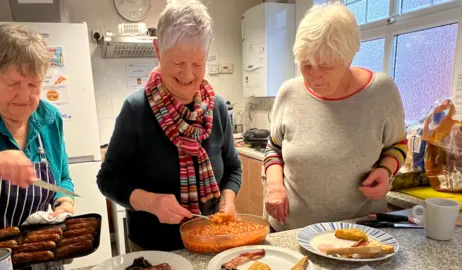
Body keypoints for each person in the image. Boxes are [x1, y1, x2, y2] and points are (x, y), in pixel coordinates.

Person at [97, 0, 242, 252]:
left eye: (198, 64)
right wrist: (152, 203)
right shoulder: (136, 109)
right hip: (152, 249)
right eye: (178, 64)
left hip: (212, 241)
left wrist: (227, 201)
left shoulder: (216, 107)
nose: (188, 76)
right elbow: (108, 180)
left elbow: (233, 169)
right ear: (158, 51)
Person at [263, 2, 408, 232]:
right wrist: (274, 186)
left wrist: (385, 170)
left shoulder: (382, 92)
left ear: (348, 60)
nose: (314, 76)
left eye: (326, 67)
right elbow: (273, 148)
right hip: (290, 230)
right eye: (306, 65)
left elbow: (397, 144)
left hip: (358, 232)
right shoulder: (289, 92)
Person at [0, 24, 75, 234]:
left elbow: (63, 179)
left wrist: (64, 200)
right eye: (13, 84)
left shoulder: (49, 119)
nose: (25, 98)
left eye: (34, 85)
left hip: (40, 255)